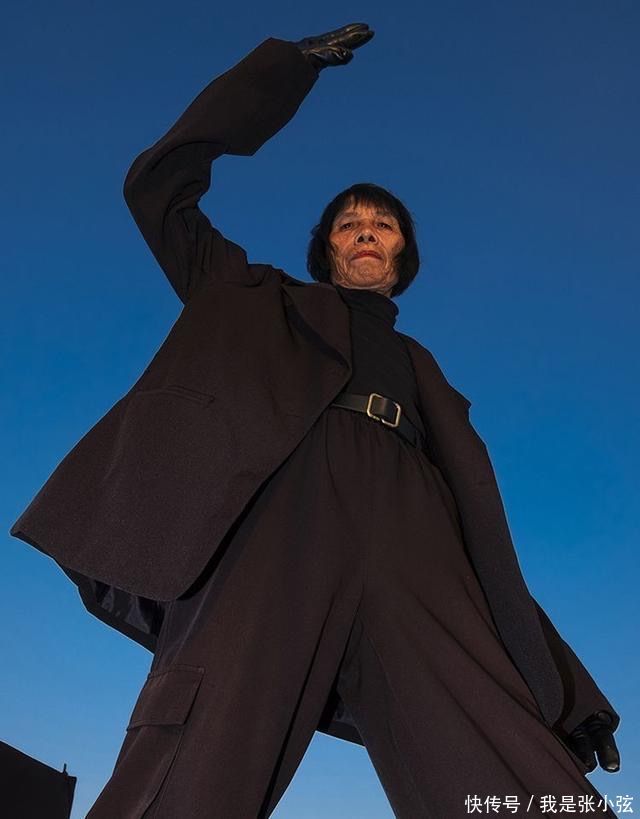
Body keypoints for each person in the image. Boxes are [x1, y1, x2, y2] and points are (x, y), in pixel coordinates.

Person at [10, 24, 621, 818]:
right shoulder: (252, 298)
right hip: (284, 514)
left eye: (384, 224)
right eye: (349, 222)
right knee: (202, 740)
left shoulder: (427, 376)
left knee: (508, 753)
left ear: (401, 257)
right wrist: (280, 73)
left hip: (413, 531)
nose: (366, 229)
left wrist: (568, 691)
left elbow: (484, 550)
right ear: (326, 249)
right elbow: (156, 187)